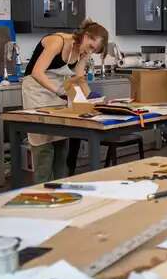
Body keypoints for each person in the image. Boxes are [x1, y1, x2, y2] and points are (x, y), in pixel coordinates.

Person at [21, 20, 108, 183]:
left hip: (58, 91)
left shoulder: (83, 52)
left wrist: (92, 99)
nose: (90, 51)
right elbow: (37, 72)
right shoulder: (57, 41)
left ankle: (61, 191)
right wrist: (59, 91)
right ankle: (42, 194)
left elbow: (78, 79)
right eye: (90, 47)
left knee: (61, 143)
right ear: (86, 36)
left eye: (93, 50)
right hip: (37, 91)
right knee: (43, 145)